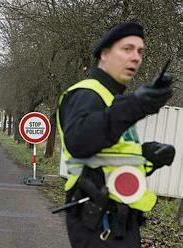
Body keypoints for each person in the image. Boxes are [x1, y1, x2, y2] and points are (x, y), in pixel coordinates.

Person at [56, 22, 175, 248]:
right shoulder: (87, 93)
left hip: (118, 219)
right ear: (104, 53)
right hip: (98, 217)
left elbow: (107, 154)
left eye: (140, 51)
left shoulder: (112, 98)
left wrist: (147, 156)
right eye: (127, 49)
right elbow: (79, 141)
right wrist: (135, 105)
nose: (136, 57)